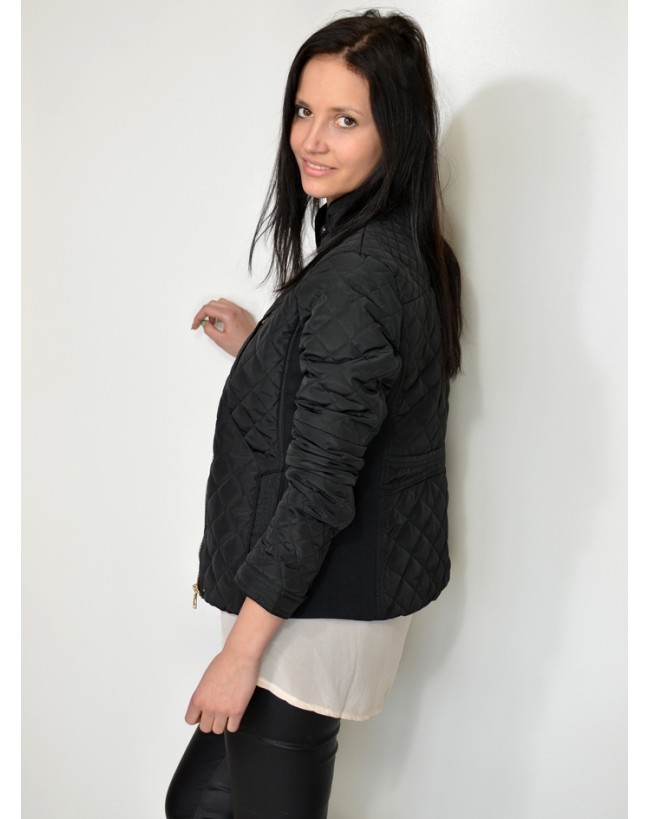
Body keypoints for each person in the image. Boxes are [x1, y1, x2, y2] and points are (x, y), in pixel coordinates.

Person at [165, 9, 462, 819]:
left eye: (345, 120)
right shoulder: (388, 244)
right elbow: (361, 391)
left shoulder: (359, 274)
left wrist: (239, 652)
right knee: (197, 805)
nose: (311, 141)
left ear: (396, 133)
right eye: (304, 110)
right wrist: (265, 344)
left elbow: (322, 485)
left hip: (311, 609)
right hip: (317, 593)